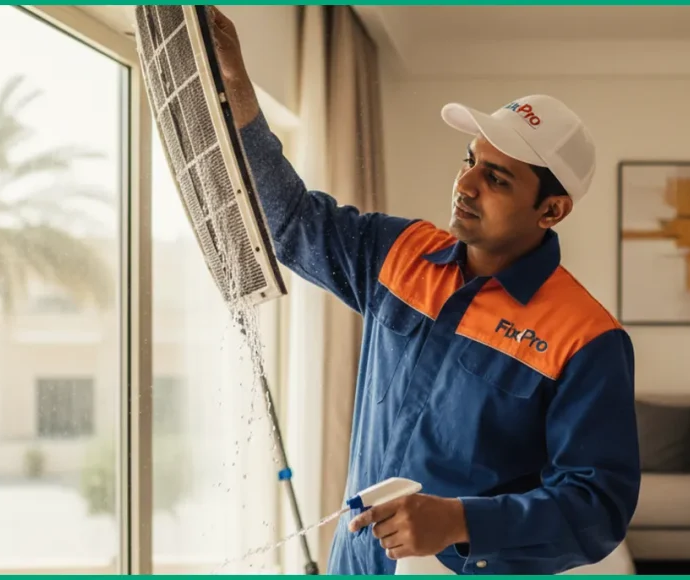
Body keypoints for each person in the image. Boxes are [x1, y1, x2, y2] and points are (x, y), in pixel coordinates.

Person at [208, 7, 640, 576]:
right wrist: (237, 87)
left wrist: (463, 521)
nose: (466, 184)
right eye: (470, 162)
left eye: (497, 178)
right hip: (357, 563)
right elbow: (289, 224)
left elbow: (597, 508)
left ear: (551, 210)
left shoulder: (586, 338)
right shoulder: (400, 253)